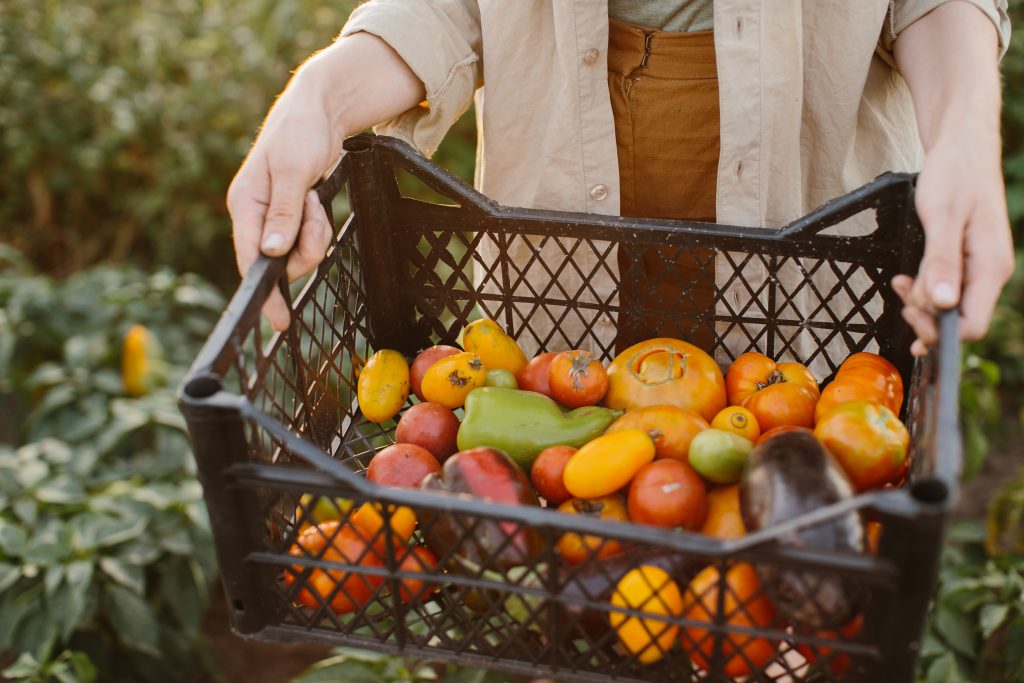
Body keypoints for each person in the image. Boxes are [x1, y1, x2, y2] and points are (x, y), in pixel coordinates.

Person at [227, 1, 1013, 363]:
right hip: (557, 263)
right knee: (580, 559)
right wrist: (319, 99)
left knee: (781, 573)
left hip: (812, 243)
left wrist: (967, 134)